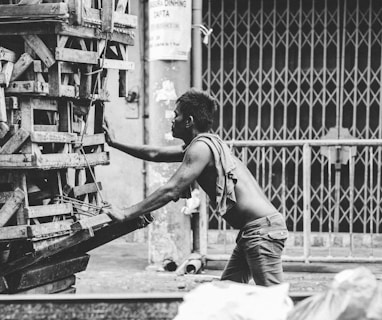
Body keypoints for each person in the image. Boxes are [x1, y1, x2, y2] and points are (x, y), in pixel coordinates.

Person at [103, 89, 288, 286]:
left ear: (189, 121)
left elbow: (171, 189)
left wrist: (125, 214)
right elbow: (156, 154)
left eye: (176, 115)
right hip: (255, 230)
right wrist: (114, 143)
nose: (172, 120)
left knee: (273, 300)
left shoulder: (200, 148)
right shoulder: (204, 144)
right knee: (228, 293)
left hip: (260, 231)